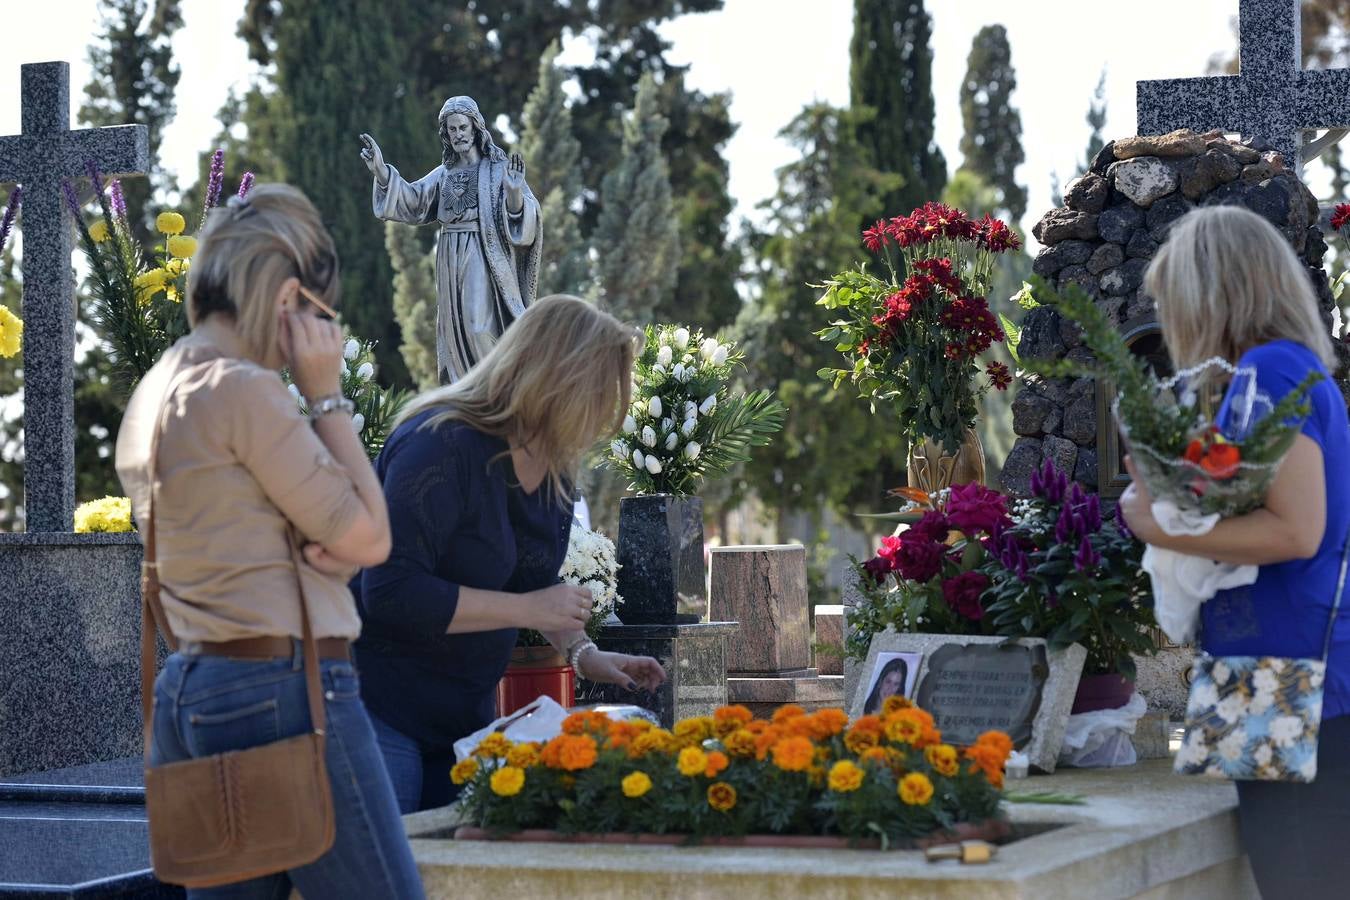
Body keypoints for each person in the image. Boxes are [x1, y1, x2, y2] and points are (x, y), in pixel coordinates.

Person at [115, 185, 425, 898]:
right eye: (320, 314)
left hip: (196, 688)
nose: (322, 333)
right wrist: (326, 396)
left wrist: (323, 549)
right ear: (288, 297)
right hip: (286, 689)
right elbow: (373, 538)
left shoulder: (159, 387)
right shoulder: (245, 390)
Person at [354, 295, 667, 813]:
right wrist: (527, 609)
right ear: (558, 383)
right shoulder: (440, 444)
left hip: (465, 717)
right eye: (599, 397)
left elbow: (530, 583)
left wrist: (586, 656)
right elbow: (389, 591)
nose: (602, 418)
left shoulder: (552, 463)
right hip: (380, 709)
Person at [1118, 205, 1350, 899]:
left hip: (1291, 676)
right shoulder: (1279, 369)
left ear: (1211, 292)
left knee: (1301, 883)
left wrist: (1157, 526)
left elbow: (1296, 531)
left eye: (1173, 299)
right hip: (1272, 671)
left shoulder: (1270, 370)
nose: (1171, 321)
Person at [360, 95, 542, 383]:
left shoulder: (498, 170)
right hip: (448, 256)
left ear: (476, 128)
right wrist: (381, 171)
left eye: (463, 127)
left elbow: (525, 226)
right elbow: (414, 201)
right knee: (453, 330)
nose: (458, 134)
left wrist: (514, 193)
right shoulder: (444, 174)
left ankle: (493, 389)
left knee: (478, 327)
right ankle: (462, 391)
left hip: (482, 252)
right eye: (452, 129)